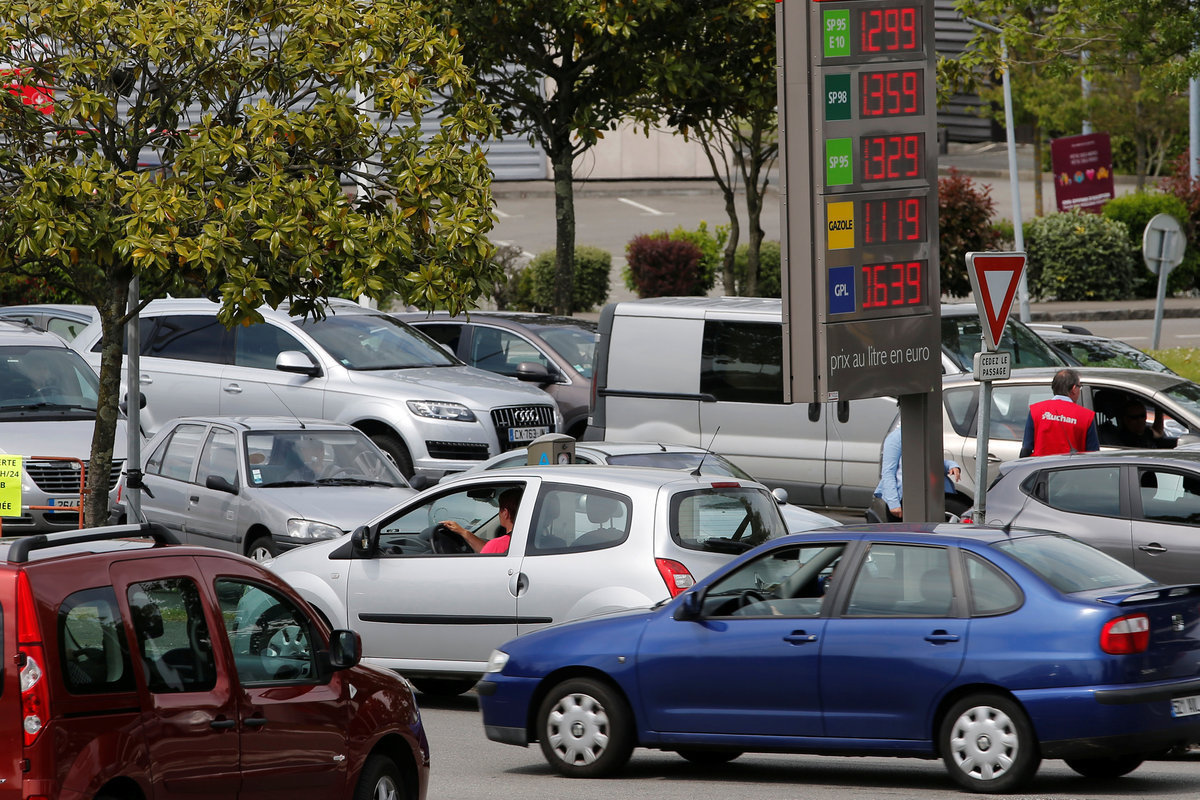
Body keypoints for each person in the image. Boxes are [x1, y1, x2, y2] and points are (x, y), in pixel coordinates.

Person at [873, 426, 962, 522]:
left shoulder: (927, 435)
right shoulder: (896, 437)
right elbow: (888, 472)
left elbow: (931, 463)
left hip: (927, 496)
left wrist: (951, 465)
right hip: (903, 499)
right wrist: (893, 503)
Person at [1020, 368, 1099, 458]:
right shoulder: (1086, 416)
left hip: (1041, 468)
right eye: (1079, 387)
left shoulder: (1036, 410)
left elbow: (1026, 449)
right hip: (1072, 469)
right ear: (1073, 388)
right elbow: (1093, 455)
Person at [442, 488, 521, 554]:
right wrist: (463, 532)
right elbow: (489, 550)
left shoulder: (499, 544)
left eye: (499, 509)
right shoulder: (526, 541)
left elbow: (488, 552)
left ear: (505, 513)